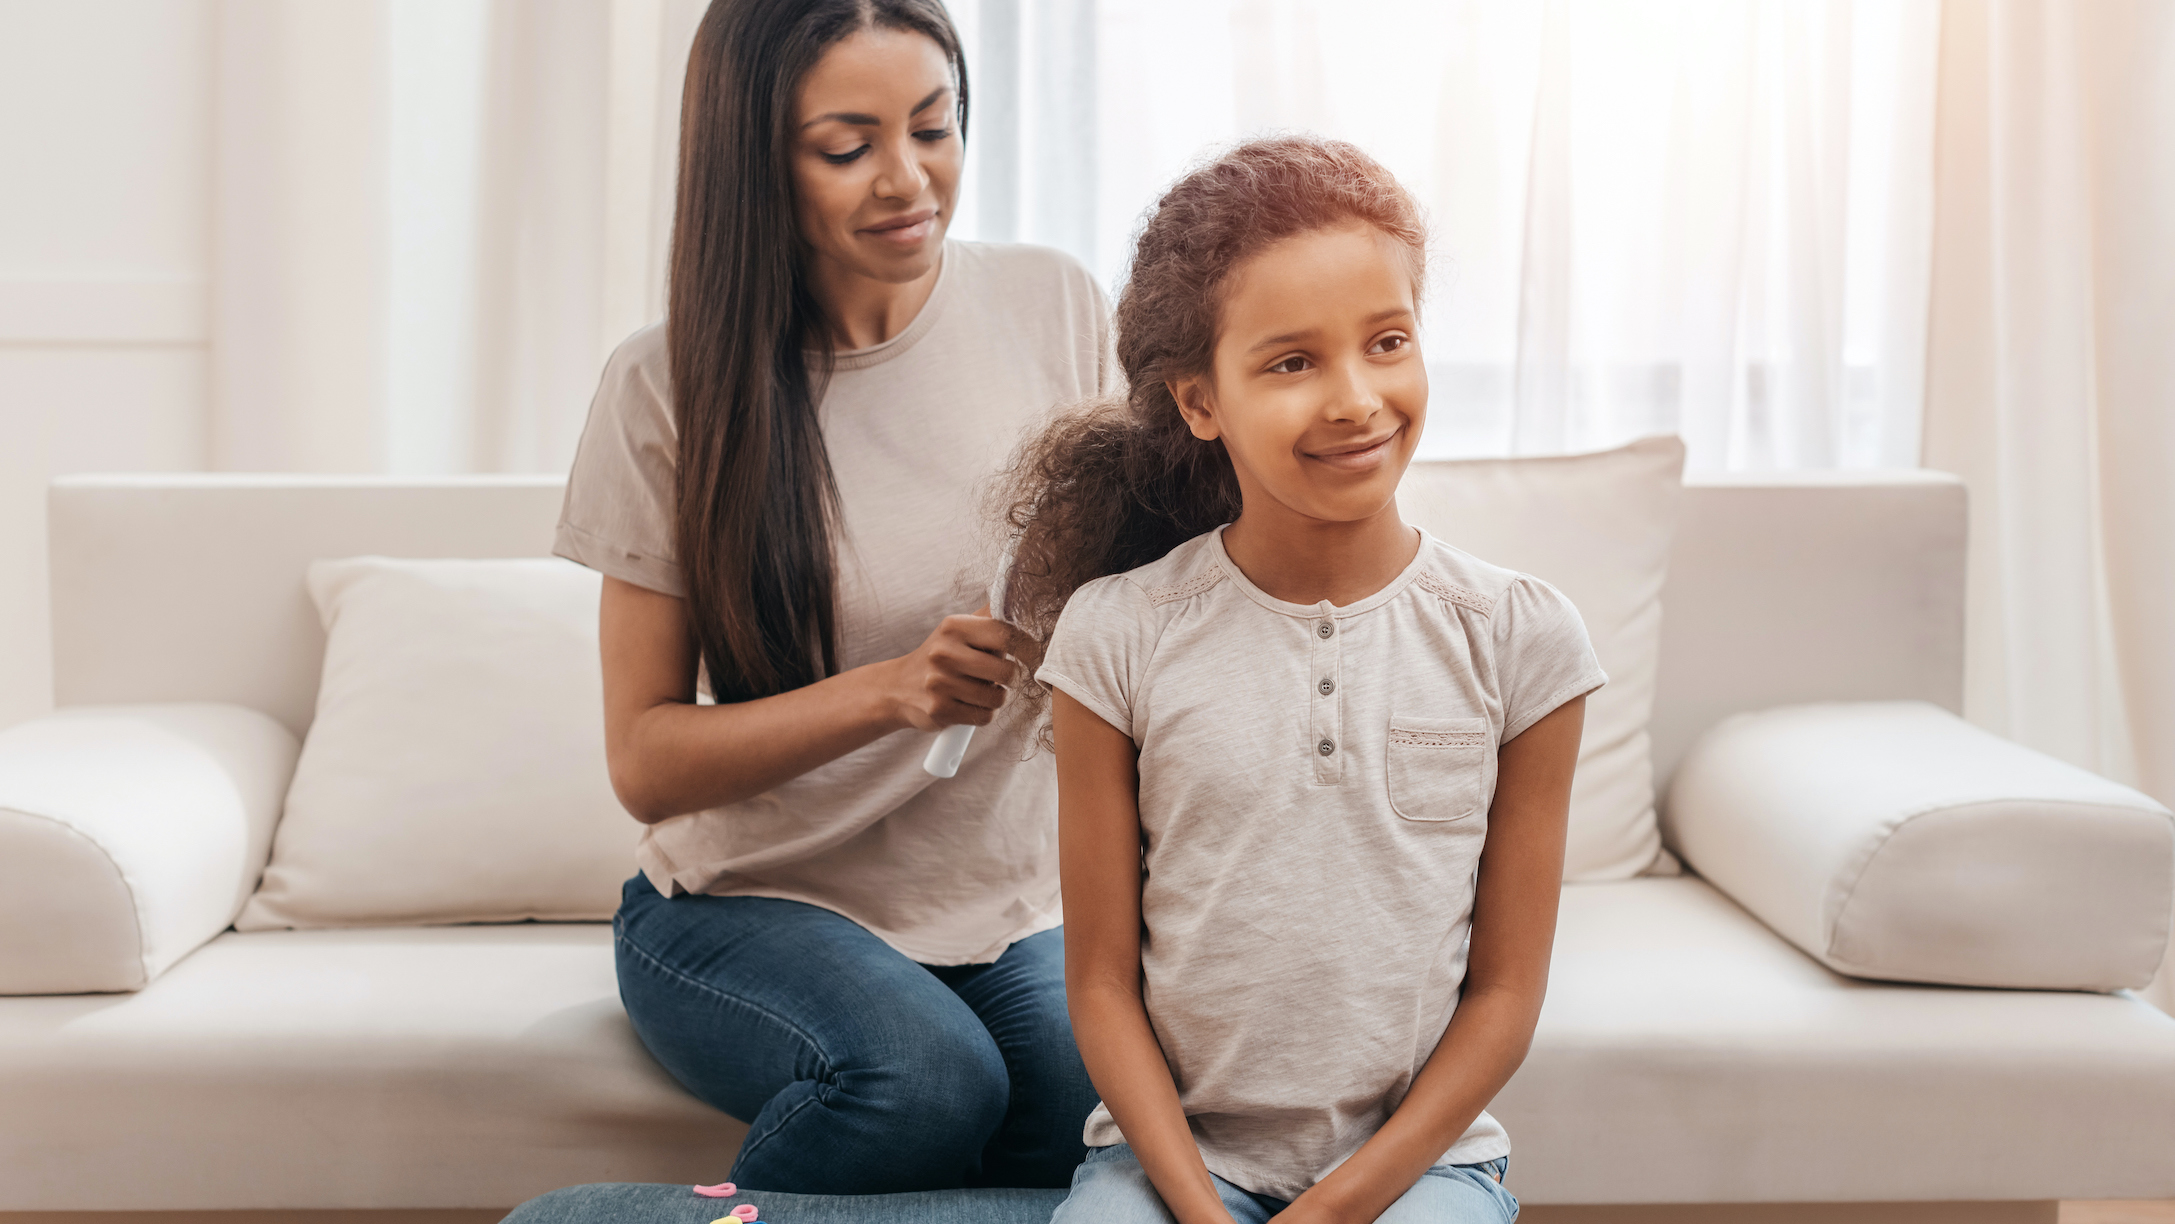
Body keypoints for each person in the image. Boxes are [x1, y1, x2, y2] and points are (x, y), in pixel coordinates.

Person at [991, 136, 1603, 1223]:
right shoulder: (1117, 636)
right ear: (1199, 402)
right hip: (1168, 1165)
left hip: (1425, 1171)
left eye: (1388, 342)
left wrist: (1334, 1209)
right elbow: (1098, 983)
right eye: (1291, 362)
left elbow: (1506, 997)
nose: (1357, 398)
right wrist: (1194, 1201)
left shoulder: (1522, 638)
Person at [553, 0, 1106, 1194]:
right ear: (756, 161)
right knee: (924, 1077)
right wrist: (889, 695)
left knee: (1085, 1099)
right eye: (847, 147)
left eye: (935, 127)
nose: (909, 181)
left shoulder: (1055, 308)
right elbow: (645, 760)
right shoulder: (666, 390)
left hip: (1007, 903)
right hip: (747, 905)